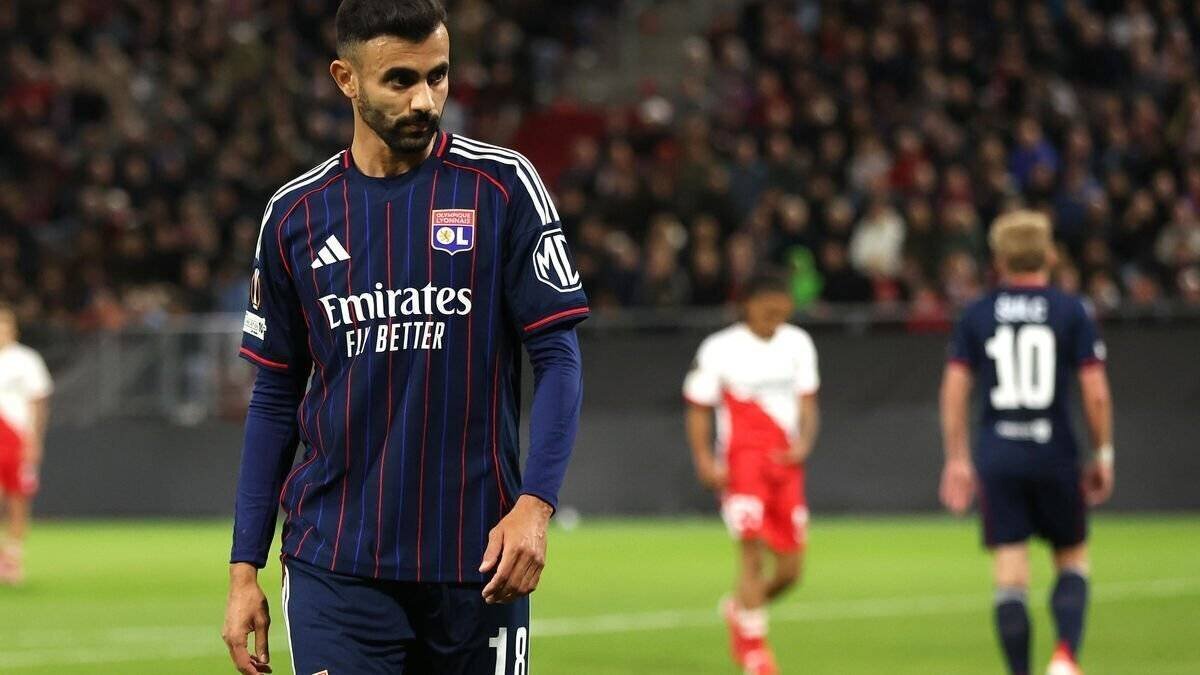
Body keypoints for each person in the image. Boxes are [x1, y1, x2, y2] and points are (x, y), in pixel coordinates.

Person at [220, 1, 589, 673]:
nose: (426, 99)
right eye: (400, 80)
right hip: (336, 559)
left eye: (438, 76)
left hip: (478, 560)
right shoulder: (294, 216)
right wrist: (245, 564)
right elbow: (275, 396)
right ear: (345, 79)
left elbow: (558, 357)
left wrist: (536, 505)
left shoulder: (503, 187)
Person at [939, 210, 1114, 675]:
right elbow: (1095, 392)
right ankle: (1064, 657)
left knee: (1011, 574)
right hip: (1054, 449)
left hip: (998, 453)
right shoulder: (1071, 309)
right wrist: (1103, 453)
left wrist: (957, 458)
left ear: (997, 259)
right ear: (1051, 255)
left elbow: (955, 389)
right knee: (1072, 557)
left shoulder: (977, 312)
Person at [682, 272, 820, 675]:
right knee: (751, 553)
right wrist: (705, 460)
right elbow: (698, 406)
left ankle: (740, 608)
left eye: (781, 312)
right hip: (742, 466)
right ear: (747, 305)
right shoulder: (720, 349)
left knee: (792, 571)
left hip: (786, 467)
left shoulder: (798, 344)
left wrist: (805, 443)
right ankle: (756, 651)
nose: (773, 320)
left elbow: (808, 404)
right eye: (767, 311)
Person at [0, 303, 53, 585]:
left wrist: (35, 440)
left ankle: (13, 556)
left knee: (18, 499)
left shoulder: (26, 360)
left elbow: (38, 402)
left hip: (17, 438)